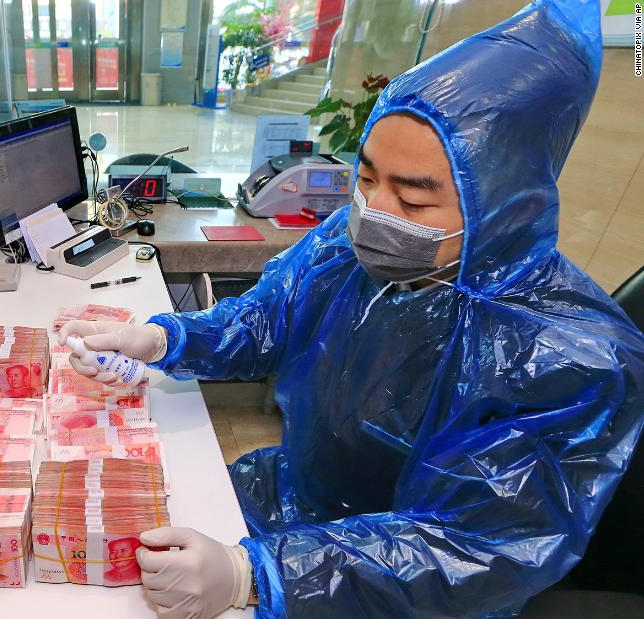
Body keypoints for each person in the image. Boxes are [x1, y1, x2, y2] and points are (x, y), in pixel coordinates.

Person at [60, 1, 644, 617]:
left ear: (505, 204)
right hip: (291, 502)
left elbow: (473, 550)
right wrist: (162, 340)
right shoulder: (349, 245)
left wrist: (253, 576)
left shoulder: (566, 358)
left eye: (415, 202)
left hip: (393, 587)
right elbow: (267, 321)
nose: (375, 213)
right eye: (367, 178)